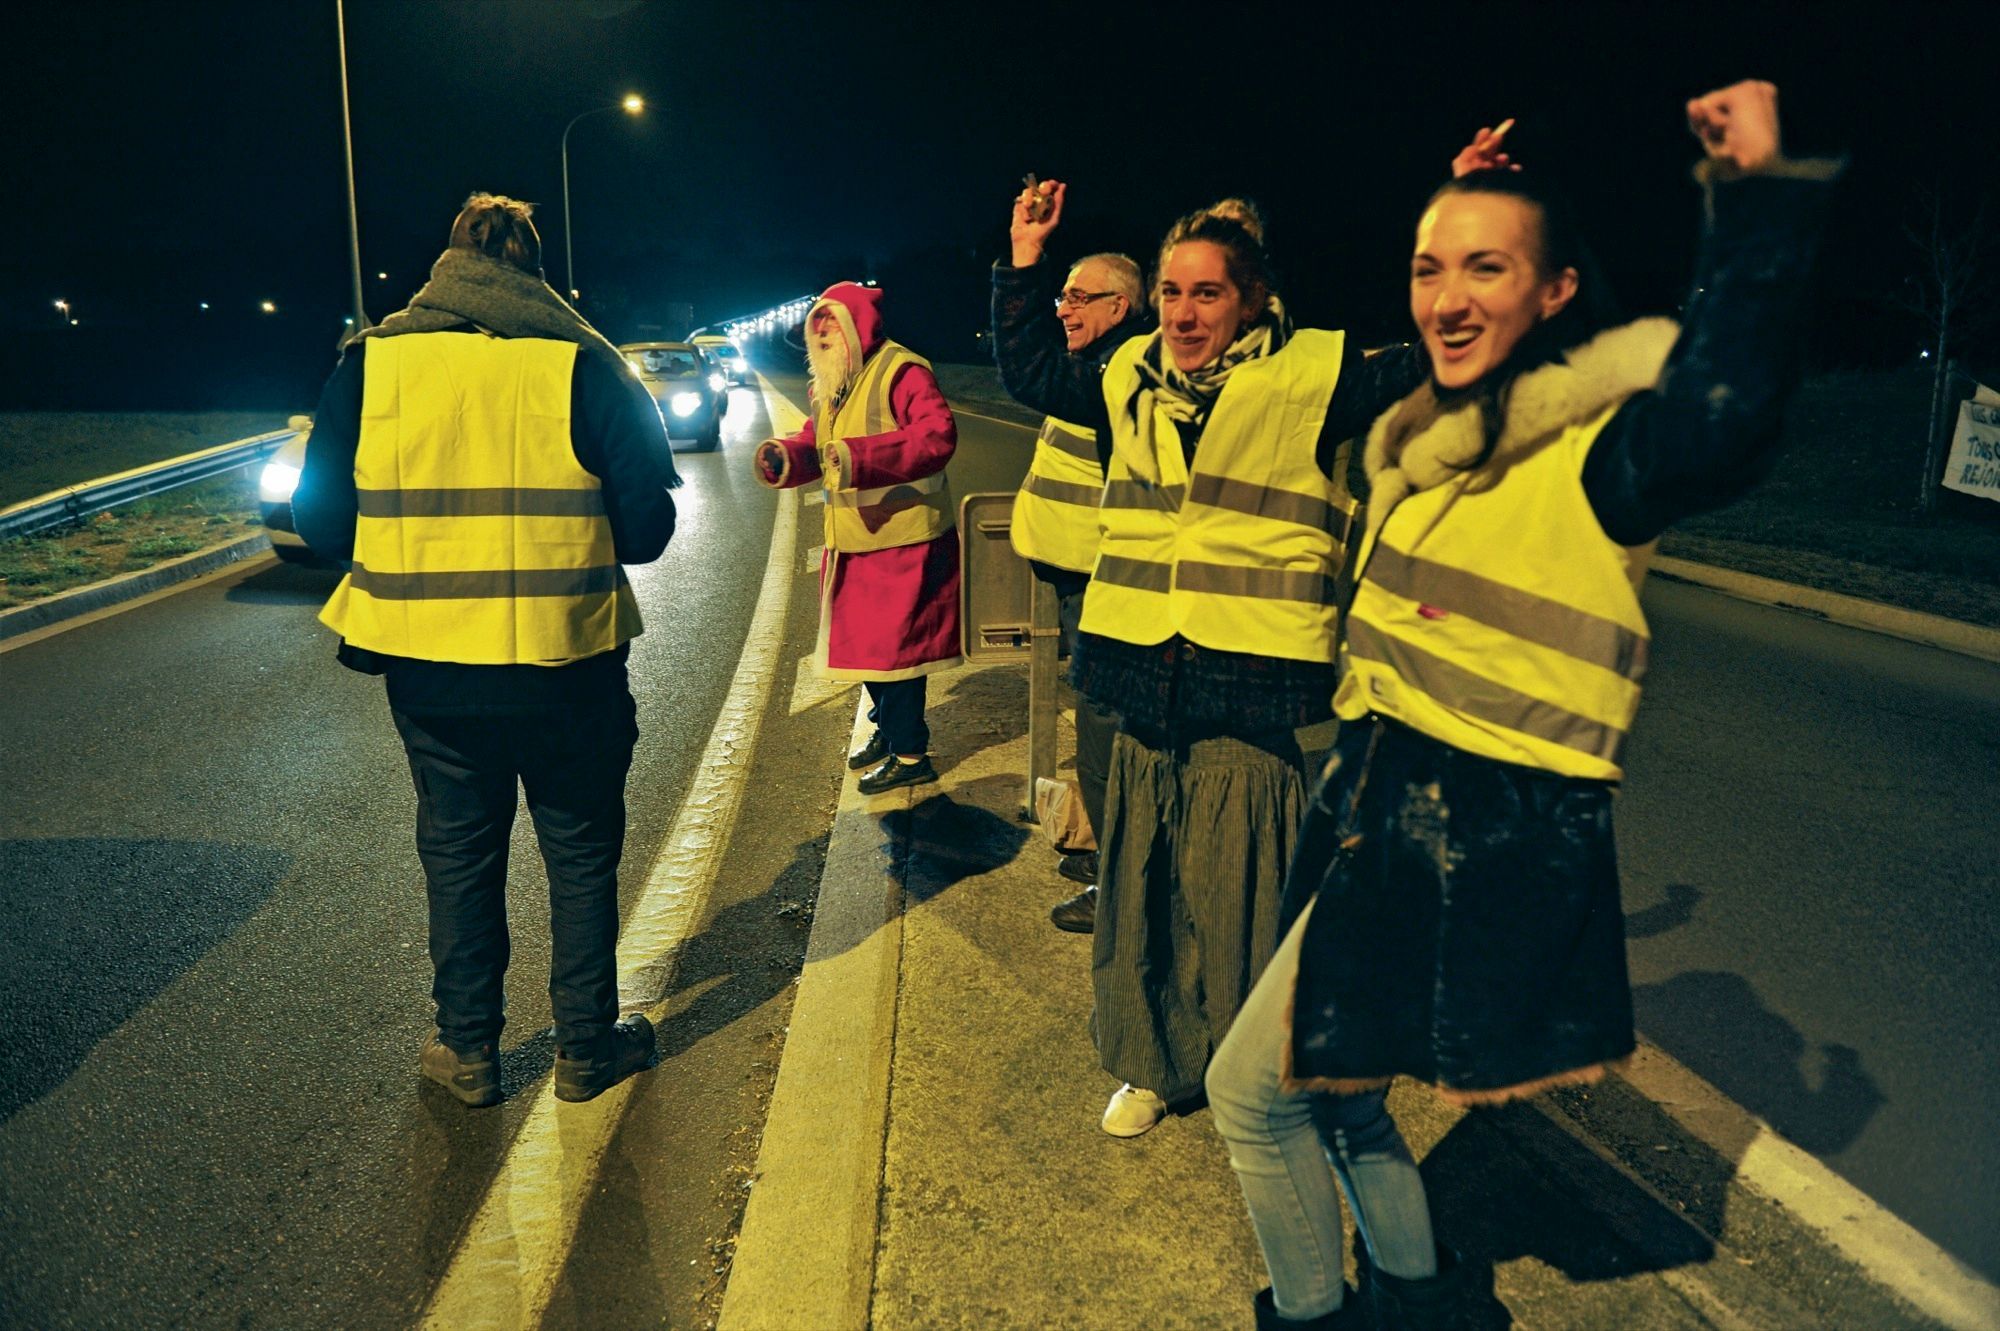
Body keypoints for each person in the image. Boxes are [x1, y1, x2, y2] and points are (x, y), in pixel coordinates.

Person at [1204, 83, 1839, 1329]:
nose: (1442, 296)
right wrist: (1473, 211)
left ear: (1555, 295)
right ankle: (1424, 1304)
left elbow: (1723, 412)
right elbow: (1457, 358)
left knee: (1253, 1093)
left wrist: (1754, 205)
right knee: (1335, 1093)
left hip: (1467, 828)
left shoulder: (1596, 450)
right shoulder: (1447, 439)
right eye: (1425, 267)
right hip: (1381, 800)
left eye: (1486, 269)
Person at [994, 183, 1430, 1137]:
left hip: (1248, 687)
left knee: (1240, 903)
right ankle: (1151, 1064)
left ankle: (1249, 1081)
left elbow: (1457, 355)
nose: (1184, 314)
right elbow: (1028, 370)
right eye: (1171, 293)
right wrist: (1024, 261)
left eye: (1208, 294)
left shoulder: (1318, 376)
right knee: (1141, 890)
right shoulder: (1123, 375)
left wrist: (1475, 217)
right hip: (1138, 677)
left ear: (1255, 299)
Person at [294, 192, 680, 1109]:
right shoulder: (584, 363)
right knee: (581, 853)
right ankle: (587, 1047)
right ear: (533, 267)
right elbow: (650, 528)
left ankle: (468, 1050)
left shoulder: (372, 363)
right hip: (568, 665)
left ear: (448, 263)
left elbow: (316, 520)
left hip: (430, 672)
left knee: (459, 855)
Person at [991, 238, 1153, 933]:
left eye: (1075, 297)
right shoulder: (1099, 363)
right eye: (1059, 296)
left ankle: (1119, 881)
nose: (1063, 309)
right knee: (1098, 726)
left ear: (1121, 305)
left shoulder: (1121, 372)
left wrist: (1021, 267)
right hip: (1082, 576)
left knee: (1107, 731)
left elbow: (1026, 374)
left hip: (1106, 580)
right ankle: (1109, 860)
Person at [756, 282, 961, 793]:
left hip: (903, 539)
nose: (820, 334)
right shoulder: (837, 379)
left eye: (829, 324)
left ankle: (912, 756)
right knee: (867, 651)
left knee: (898, 654)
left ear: (855, 327)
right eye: (815, 326)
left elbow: (937, 437)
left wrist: (859, 459)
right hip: (854, 539)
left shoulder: (902, 370)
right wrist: (788, 455)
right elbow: (819, 440)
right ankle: (890, 732)